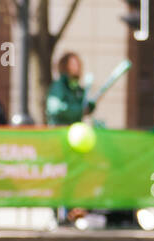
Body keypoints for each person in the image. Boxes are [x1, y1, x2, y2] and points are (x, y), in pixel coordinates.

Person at [46, 53, 92, 226]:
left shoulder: (77, 88)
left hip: (75, 142)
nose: (76, 67)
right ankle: (57, 214)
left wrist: (88, 107)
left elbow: (82, 107)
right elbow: (56, 109)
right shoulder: (59, 87)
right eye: (72, 64)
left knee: (74, 178)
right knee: (59, 177)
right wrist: (78, 109)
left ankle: (72, 214)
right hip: (60, 140)